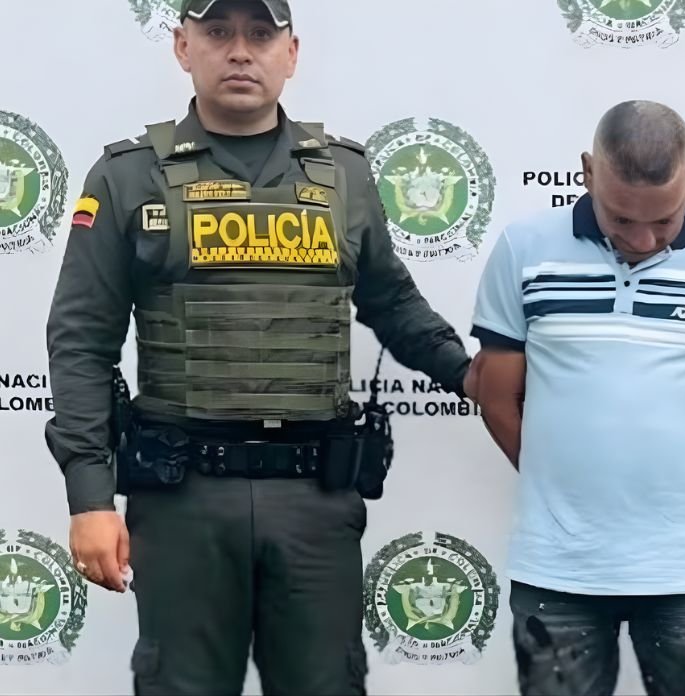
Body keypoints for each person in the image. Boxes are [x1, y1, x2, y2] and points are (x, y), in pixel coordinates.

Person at [44, 1, 472, 693]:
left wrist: (475, 377)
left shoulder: (344, 175)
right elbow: (81, 341)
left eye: (261, 35)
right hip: (183, 503)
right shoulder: (127, 177)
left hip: (314, 502)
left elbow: (394, 304)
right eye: (218, 33)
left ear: (291, 53)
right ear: (183, 47)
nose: (240, 51)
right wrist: (89, 498)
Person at [467, 100, 685, 696]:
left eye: (663, 221)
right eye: (620, 218)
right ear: (587, 172)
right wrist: (560, 482)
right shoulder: (522, 248)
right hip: (557, 570)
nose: (642, 239)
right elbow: (497, 396)